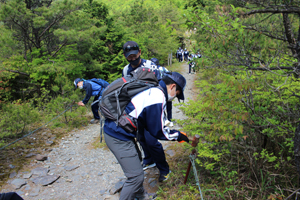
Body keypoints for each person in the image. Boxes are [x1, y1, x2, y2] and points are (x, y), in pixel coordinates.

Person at [103, 69, 189, 200]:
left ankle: (141, 196)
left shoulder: (153, 90)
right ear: (172, 86)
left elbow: (152, 119)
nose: (175, 97)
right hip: (118, 136)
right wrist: (179, 136)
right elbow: (158, 131)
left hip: (120, 132)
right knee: (135, 177)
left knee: (136, 165)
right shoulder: (157, 95)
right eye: (176, 94)